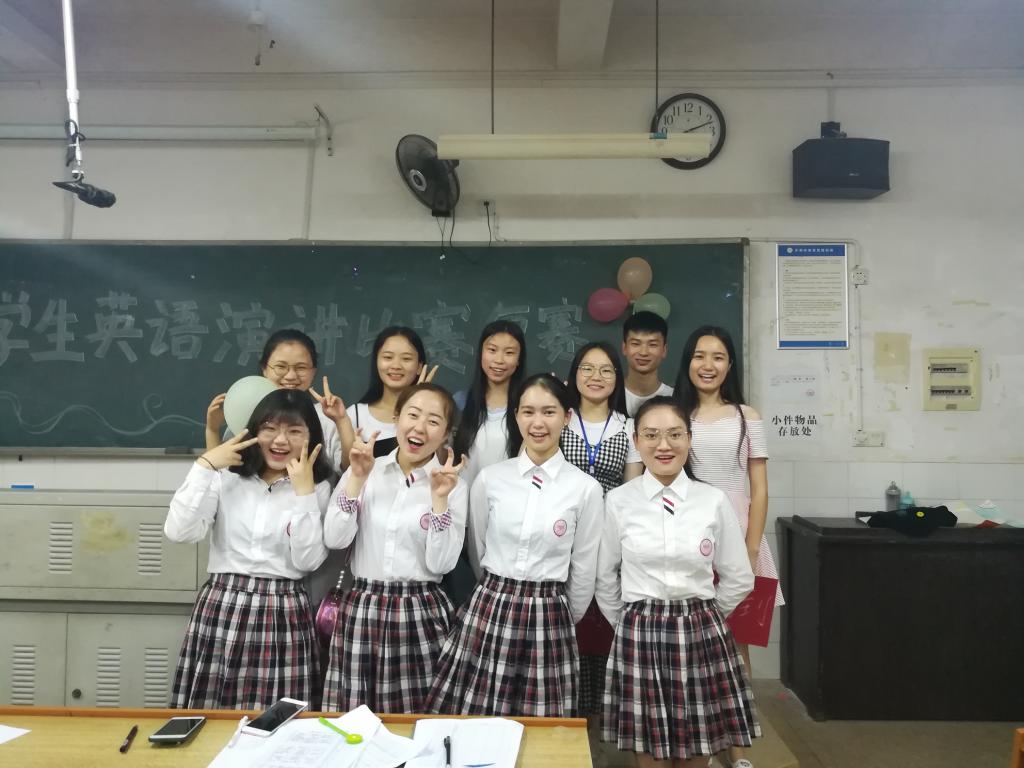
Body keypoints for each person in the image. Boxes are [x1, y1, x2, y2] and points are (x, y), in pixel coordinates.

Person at [425, 374, 604, 717]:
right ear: (516, 415)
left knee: (540, 723)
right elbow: (477, 549)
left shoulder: (585, 489)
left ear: (567, 417)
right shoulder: (491, 479)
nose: (538, 423)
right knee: (478, 716)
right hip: (490, 606)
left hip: (550, 614)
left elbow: (583, 567)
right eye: (528, 412)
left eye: (549, 412)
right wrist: (498, 590)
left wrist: (560, 615)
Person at [597, 396, 759, 767]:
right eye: (651, 435)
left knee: (695, 752)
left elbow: (738, 576)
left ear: (689, 439)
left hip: (700, 634)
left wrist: (705, 615)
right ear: (636, 442)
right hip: (639, 633)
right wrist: (627, 621)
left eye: (674, 434)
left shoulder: (712, 500)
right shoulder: (619, 501)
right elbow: (604, 576)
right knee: (650, 753)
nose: (663, 445)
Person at [165, 388, 332, 710]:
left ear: (311, 438)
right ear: (254, 431)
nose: (280, 440)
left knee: (277, 717)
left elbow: (307, 560)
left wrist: (304, 495)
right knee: (210, 712)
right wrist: (204, 466)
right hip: (223, 603)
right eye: (270, 428)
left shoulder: (319, 487)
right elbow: (179, 531)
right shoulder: (226, 476)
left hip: (284, 608)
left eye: (294, 431)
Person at [322, 383, 467, 713]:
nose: (420, 428)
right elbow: (335, 538)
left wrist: (440, 500)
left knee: (416, 721)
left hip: (420, 610)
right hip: (363, 607)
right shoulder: (365, 469)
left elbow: (441, 564)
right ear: (396, 419)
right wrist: (356, 478)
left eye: (433, 421)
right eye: (412, 415)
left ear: (446, 433)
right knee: (354, 719)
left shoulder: (452, 485)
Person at [674, 325, 782, 768]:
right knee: (690, 647)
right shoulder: (675, 415)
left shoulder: (746, 416)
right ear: (687, 362)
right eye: (699, 356)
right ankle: (695, 743)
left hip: (740, 536)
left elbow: (760, 487)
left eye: (718, 357)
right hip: (688, 538)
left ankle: (737, 752)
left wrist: (751, 548)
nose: (708, 365)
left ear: (730, 365)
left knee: (736, 650)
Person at [559, 341, 641, 715]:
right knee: (569, 622)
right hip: (564, 535)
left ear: (617, 377)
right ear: (574, 374)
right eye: (587, 368)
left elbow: (632, 490)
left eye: (606, 369)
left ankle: (604, 715)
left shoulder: (629, 427)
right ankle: (568, 710)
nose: (596, 376)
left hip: (610, 537)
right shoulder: (559, 418)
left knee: (604, 623)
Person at [444, 321, 527, 606]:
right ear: (481, 352)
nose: (499, 360)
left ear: (519, 360)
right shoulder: (461, 403)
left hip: (508, 520)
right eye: (492, 350)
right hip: (462, 518)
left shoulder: (526, 406)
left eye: (509, 352)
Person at [204, 328, 344, 472]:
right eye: (281, 367)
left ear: (313, 371)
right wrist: (212, 430)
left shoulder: (327, 419)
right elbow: (221, 473)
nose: (290, 376)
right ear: (264, 369)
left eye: (301, 368)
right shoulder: (246, 415)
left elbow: (346, 468)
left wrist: (341, 421)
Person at [335, 326, 437, 464]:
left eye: (406, 359)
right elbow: (347, 468)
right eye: (388, 357)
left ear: (419, 367)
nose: (396, 365)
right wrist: (341, 420)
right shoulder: (355, 414)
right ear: (376, 362)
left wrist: (420, 401)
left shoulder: (433, 415)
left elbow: (440, 462)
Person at [621, 311, 673, 417]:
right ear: (624, 348)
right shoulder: (608, 395)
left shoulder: (675, 398)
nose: (643, 352)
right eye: (635, 344)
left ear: (664, 350)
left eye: (652, 344)